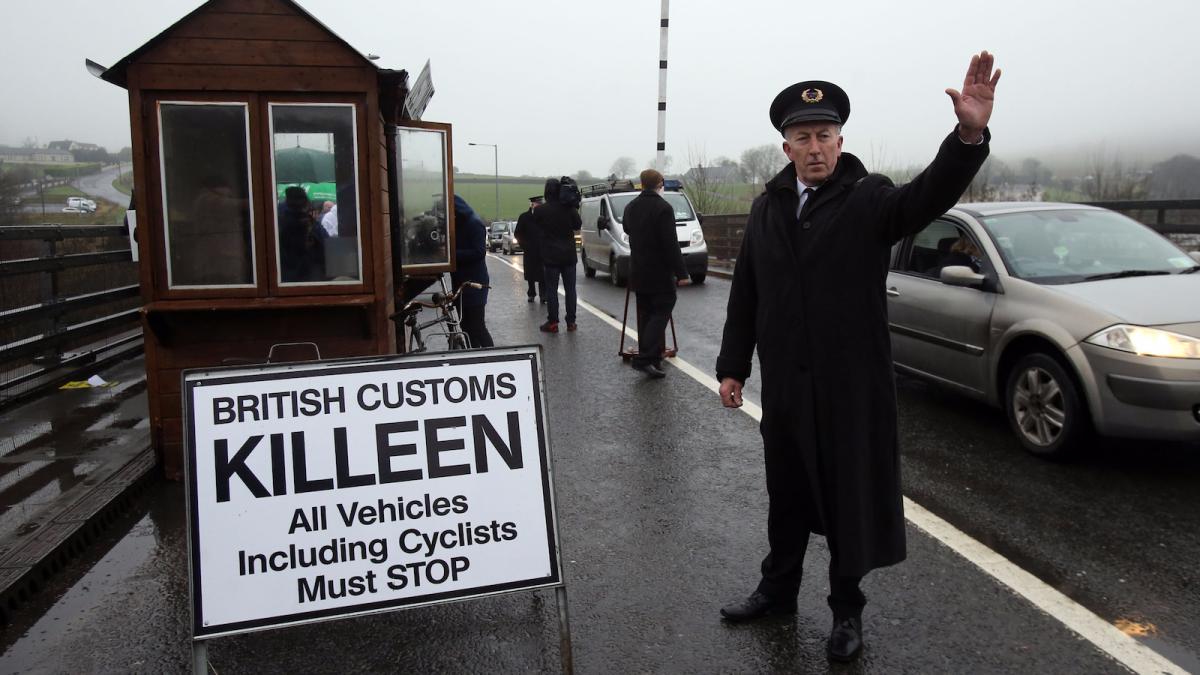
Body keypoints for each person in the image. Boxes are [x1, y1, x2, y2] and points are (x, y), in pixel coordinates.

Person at [715, 52, 1000, 663]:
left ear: (840, 140)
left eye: (824, 135)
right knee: (786, 493)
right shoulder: (767, 209)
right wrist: (733, 365)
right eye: (802, 137)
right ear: (785, 146)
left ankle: (847, 613)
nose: (814, 146)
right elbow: (748, 292)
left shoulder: (870, 199)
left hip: (852, 388)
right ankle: (777, 590)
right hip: (787, 386)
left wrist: (968, 135)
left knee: (848, 497)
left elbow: (926, 197)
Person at [624, 168, 689, 378]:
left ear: (642, 184)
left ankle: (652, 358)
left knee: (646, 315)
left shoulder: (631, 207)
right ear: (660, 183)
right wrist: (682, 273)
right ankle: (644, 359)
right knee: (661, 313)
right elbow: (670, 244)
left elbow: (626, 228)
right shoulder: (664, 208)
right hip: (659, 272)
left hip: (638, 270)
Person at [535, 178, 582, 333]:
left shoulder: (541, 210)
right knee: (571, 290)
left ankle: (553, 322)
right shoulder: (569, 209)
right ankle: (571, 322)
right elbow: (577, 225)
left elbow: (537, 228)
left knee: (551, 290)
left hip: (550, 256)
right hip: (568, 255)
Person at [450, 194, 493, 348]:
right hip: (461, 282)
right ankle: (474, 355)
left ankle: (493, 358)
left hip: (475, 282)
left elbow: (479, 252)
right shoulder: (458, 224)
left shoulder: (474, 224)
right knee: (466, 326)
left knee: (477, 326)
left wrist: (452, 255)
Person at [278, 186, 327, 282]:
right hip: (307, 276)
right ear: (305, 203)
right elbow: (325, 244)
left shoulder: (278, 221)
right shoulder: (310, 223)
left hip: (284, 278)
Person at [514, 195, 546, 303]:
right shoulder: (524, 217)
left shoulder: (544, 217)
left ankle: (543, 295)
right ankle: (531, 293)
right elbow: (518, 233)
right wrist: (524, 246)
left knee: (543, 274)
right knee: (530, 274)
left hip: (542, 250)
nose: (540, 206)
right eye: (538, 204)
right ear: (532, 205)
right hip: (529, 251)